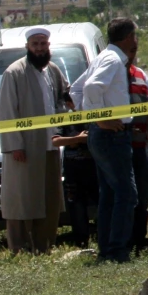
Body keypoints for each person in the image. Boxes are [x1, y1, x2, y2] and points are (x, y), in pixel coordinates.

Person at [0, 28, 67, 254]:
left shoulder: (53, 70)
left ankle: (44, 246)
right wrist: (15, 145)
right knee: (22, 198)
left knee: (49, 198)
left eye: (43, 43)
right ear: (28, 46)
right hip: (25, 147)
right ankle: (20, 249)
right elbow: (7, 112)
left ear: (49, 45)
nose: (39, 48)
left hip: (50, 144)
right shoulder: (14, 73)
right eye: (35, 44)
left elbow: (64, 96)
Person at [80, 18, 140, 263]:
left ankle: (107, 249)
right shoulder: (113, 60)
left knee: (110, 194)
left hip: (105, 136)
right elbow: (91, 87)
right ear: (127, 38)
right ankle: (116, 252)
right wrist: (101, 120)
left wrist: (94, 119)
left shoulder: (104, 57)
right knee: (127, 194)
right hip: (110, 135)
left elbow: (75, 89)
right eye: (135, 36)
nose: (136, 41)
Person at [53, 94, 97, 249]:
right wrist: (76, 139)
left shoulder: (93, 114)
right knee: (76, 207)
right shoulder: (66, 118)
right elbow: (56, 140)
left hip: (95, 170)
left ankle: (103, 237)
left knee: (101, 205)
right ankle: (81, 242)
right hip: (73, 172)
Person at [129, 59, 148, 252]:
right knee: (137, 193)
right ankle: (135, 239)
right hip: (131, 145)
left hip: (141, 146)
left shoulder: (141, 76)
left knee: (143, 194)